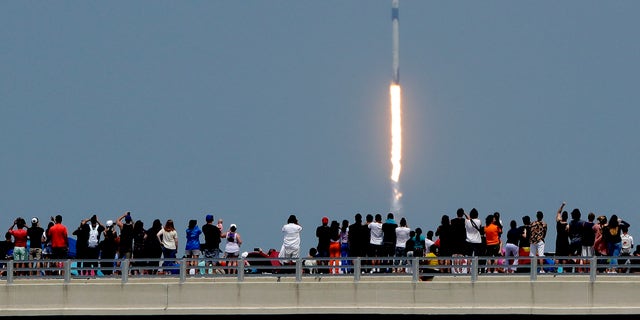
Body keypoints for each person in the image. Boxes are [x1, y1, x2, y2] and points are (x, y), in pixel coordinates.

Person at [555, 202, 569, 272]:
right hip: (565, 241)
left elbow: (558, 212)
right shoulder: (567, 225)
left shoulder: (558, 222)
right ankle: (564, 270)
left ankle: (556, 269)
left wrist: (562, 206)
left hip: (558, 241)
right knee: (564, 257)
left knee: (557, 256)